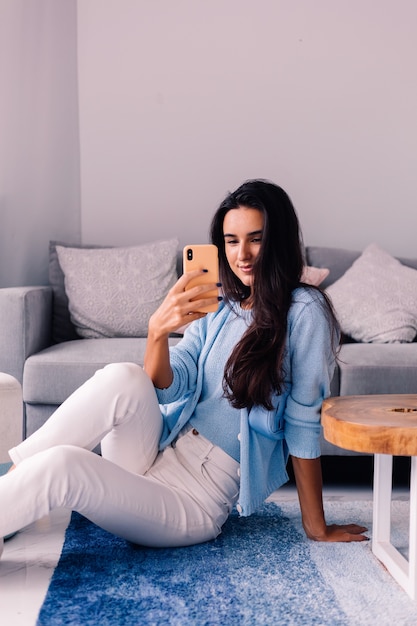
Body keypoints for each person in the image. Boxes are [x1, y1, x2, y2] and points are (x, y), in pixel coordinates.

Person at [0, 179, 368, 560]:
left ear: (279, 240)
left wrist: (317, 526)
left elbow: (304, 421)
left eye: (255, 239)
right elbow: (168, 387)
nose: (242, 254)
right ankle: (13, 479)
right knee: (122, 376)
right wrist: (157, 332)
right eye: (231, 240)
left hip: (193, 498)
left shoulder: (305, 311)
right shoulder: (222, 307)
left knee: (65, 466)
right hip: (157, 448)